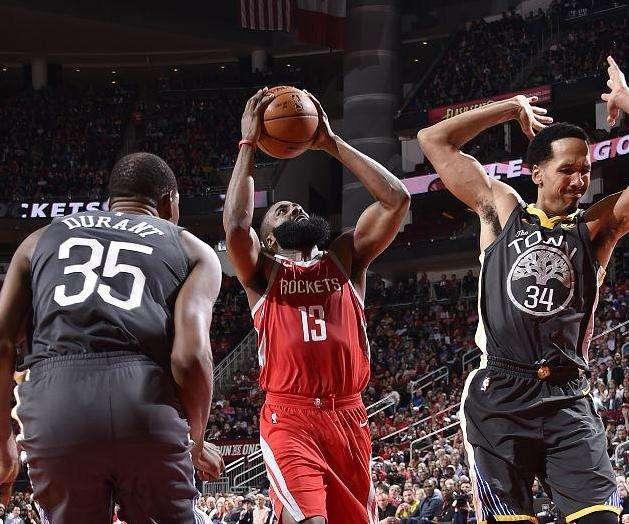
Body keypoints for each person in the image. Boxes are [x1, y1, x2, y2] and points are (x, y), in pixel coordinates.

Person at [417, 55, 629, 524]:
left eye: (585, 169)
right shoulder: (500, 209)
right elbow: (432, 140)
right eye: (567, 169)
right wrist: (510, 107)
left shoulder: (596, 227)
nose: (579, 180)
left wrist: (627, 100)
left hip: (568, 396)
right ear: (536, 172)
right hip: (500, 396)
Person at [0, 152, 225, 523]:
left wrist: (3, 442)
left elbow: (3, 343)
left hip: (57, 401)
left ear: (110, 202)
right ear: (169, 201)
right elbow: (190, 357)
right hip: (144, 398)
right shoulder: (192, 249)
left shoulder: (37, 240)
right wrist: (196, 440)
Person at [224, 88, 410, 524]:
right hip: (291, 417)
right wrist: (248, 144)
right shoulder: (263, 273)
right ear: (269, 240)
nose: (294, 209)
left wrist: (332, 143)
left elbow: (397, 200)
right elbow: (235, 226)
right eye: (281, 211)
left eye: (297, 207)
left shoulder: (346, 257)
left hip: (349, 414)